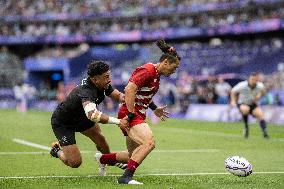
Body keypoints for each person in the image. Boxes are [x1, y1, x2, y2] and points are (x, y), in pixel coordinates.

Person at [95, 40, 181, 184]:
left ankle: (103, 159)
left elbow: (143, 93)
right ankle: (125, 177)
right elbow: (130, 89)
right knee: (149, 142)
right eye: (174, 67)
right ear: (165, 62)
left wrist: (154, 108)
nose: (174, 71)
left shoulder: (156, 75)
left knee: (132, 156)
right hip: (131, 114)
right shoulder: (148, 70)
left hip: (137, 114)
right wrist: (130, 114)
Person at [50, 60, 129, 175]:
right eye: (106, 77)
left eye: (109, 76)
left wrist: (131, 96)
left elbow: (118, 96)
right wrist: (118, 121)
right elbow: (92, 115)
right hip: (64, 122)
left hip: (82, 119)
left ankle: (108, 160)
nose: (109, 80)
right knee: (75, 162)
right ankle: (56, 151)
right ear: (95, 79)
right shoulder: (87, 90)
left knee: (101, 140)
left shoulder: (102, 83)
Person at [230, 72, 269, 139]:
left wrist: (259, 96)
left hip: (252, 103)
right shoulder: (242, 85)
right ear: (249, 79)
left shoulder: (260, 86)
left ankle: (265, 133)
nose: (254, 81)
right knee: (246, 109)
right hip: (242, 103)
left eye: (255, 80)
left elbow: (264, 92)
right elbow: (233, 91)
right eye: (252, 79)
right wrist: (233, 101)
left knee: (260, 114)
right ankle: (246, 127)